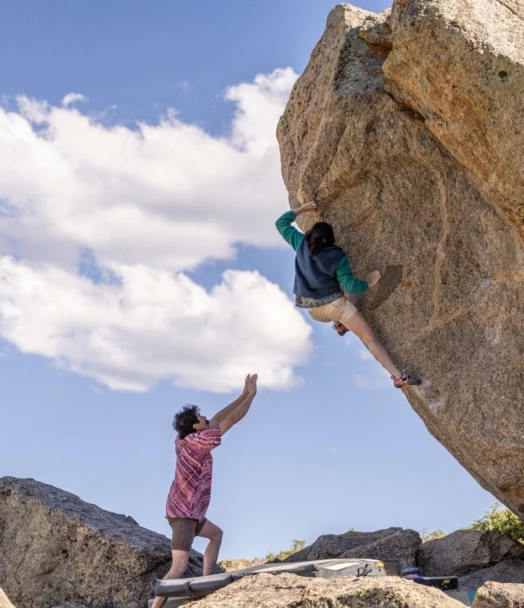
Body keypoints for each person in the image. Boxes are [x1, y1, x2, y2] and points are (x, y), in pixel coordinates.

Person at [276, 201, 421, 389]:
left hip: (314, 312)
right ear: (331, 240)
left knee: (335, 307)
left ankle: (338, 326)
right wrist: (368, 282)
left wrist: (302, 209)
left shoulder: (300, 242)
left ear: (311, 235)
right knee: (369, 338)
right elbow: (351, 286)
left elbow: (281, 223)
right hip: (337, 307)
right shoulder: (337, 256)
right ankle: (397, 376)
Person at [151, 374, 259, 608]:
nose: (206, 417)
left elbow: (220, 418)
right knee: (178, 568)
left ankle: (205, 583)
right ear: (195, 426)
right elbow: (231, 419)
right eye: (202, 417)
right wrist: (251, 397)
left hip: (192, 512)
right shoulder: (198, 443)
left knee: (216, 535)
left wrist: (241, 395)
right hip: (184, 515)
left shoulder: (185, 439)